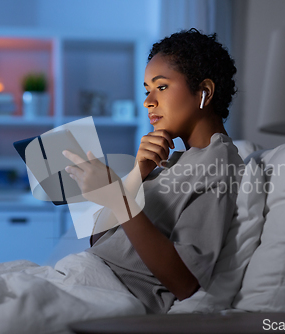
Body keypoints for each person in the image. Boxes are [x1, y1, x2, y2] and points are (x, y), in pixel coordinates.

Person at [63, 28, 243, 314]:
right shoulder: (172, 161)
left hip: (105, 293)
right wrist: (137, 173)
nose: (148, 101)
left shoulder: (219, 161)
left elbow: (186, 282)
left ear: (204, 92)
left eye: (161, 87)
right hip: (79, 277)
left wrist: (116, 195)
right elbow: (100, 241)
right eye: (147, 90)